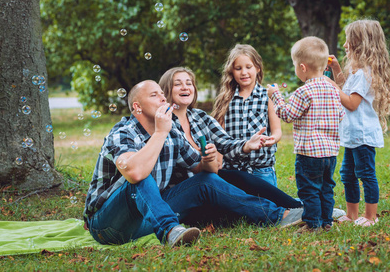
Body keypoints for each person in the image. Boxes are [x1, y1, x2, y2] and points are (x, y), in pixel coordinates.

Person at [83, 80, 303, 247]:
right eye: (154, 95)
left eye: (162, 94)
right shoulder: (123, 132)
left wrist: (208, 160)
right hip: (108, 225)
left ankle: (277, 215)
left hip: (148, 218)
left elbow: (202, 169)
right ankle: (171, 231)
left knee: (205, 180)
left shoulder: (172, 132)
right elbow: (135, 174)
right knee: (138, 179)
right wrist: (160, 132)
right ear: (137, 108)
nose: (163, 98)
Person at [159, 67, 303, 212]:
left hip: (210, 179)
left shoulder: (199, 117)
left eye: (189, 83)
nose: (185, 87)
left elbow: (226, 143)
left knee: (240, 178)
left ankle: (297, 206)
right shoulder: (164, 123)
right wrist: (210, 159)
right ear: (166, 90)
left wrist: (247, 144)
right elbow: (195, 163)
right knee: (226, 193)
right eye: (178, 84)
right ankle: (278, 213)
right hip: (188, 193)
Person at [267, 36, 345, 233]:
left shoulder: (304, 92)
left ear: (302, 67)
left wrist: (275, 96)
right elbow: (342, 115)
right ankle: (326, 222)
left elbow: (287, 114)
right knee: (326, 188)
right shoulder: (334, 90)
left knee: (309, 189)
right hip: (330, 152)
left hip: (309, 153)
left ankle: (312, 224)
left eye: (294, 65)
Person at [325, 20, 390, 227]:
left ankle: (371, 216)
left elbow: (352, 103)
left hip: (362, 135)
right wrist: (336, 68)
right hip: (353, 135)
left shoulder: (365, 74)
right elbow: (344, 88)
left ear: (360, 44)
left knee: (365, 174)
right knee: (347, 174)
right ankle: (352, 214)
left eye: (348, 41)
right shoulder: (357, 72)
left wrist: (330, 86)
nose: (345, 45)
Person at [211, 44, 282, 186]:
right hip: (233, 170)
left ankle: (303, 206)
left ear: (257, 68)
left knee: (269, 207)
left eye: (248, 67)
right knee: (237, 207)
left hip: (262, 170)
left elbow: (277, 130)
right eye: (238, 68)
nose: (244, 72)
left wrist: (272, 139)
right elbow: (219, 136)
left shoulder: (267, 96)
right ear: (231, 71)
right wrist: (218, 161)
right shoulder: (225, 99)